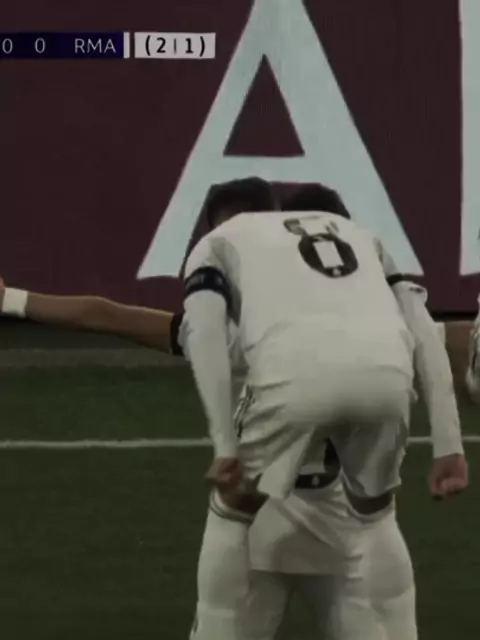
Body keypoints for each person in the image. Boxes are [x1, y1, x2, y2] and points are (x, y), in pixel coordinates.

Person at [0, 180, 468, 640]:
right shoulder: (370, 326)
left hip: (262, 534)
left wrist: (13, 300)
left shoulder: (232, 327)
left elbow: (106, 315)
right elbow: (443, 340)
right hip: (338, 535)